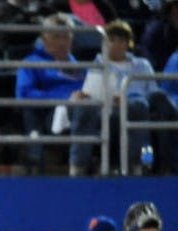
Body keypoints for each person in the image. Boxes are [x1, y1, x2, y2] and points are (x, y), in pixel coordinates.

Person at [70, 20, 169, 176]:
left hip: (136, 108)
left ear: (128, 43)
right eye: (112, 40)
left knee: (139, 105)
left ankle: (137, 165)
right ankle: (78, 166)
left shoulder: (142, 65)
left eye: (121, 40)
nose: (117, 44)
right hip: (106, 111)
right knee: (85, 109)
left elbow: (153, 92)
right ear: (104, 43)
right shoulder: (97, 65)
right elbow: (91, 91)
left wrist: (126, 97)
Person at [14, 13, 86, 173]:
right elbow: (25, 95)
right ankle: (78, 166)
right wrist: (67, 99)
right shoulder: (31, 63)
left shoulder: (82, 68)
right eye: (56, 37)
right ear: (44, 38)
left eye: (66, 36)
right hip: (51, 116)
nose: (62, 42)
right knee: (82, 112)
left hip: (89, 111)